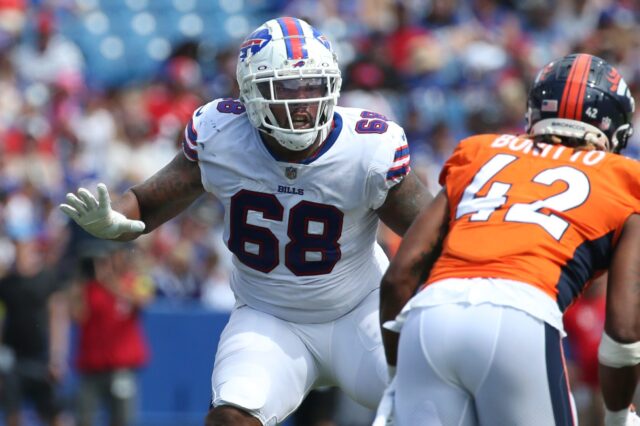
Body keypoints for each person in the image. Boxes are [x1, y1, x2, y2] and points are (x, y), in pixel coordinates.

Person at [59, 16, 430, 426]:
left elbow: (427, 232)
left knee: (431, 406)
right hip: (268, 317)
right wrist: (116, 220)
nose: (302, 102)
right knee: (231, 418)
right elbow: (146, 202)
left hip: (358, 311)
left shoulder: (368, 147)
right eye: (287, 88)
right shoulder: (222, 135)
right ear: (251, 92)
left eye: (313, 86)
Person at [375, 53, 639, 426]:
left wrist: (397, 374)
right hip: (521, 317)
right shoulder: (625, 177)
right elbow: (624, 333)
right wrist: (616, 417)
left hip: (430, 315)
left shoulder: (482, 150)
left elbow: (400, 276)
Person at [69, 240, 153, 426]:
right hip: (91, 365)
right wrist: (79, 283)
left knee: (121, 418)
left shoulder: (133, 281)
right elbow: (76, 316)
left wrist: (108, 281)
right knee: (84, 417)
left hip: (121, 366)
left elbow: (143, 300)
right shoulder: (89, 287)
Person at [0, 238, 69, 426]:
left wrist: (57, 357)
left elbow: (57, 318)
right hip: (13, 360)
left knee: (53, 414)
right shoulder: (7, 284)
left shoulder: (47, 279)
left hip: (41, 358)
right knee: (12, 414)